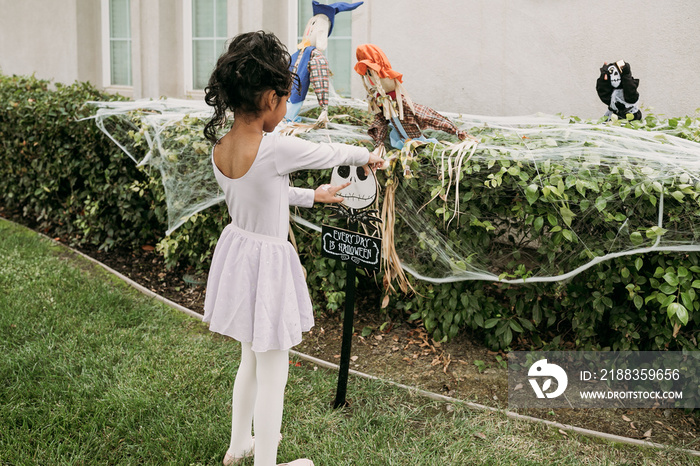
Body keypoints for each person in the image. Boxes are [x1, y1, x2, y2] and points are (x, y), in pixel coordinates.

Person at [201, 31, 384, 466]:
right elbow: (326, 151)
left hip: (239, 255)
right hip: (268, 264)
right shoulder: (275, 147)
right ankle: (266, 462)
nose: (286, 110)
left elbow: (263, 193)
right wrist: (367, 156)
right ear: (269, 99)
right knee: (274, 373)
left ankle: (238, 445)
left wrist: (312, 197)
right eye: (286, 100)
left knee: (250, 358)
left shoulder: (221, 147)